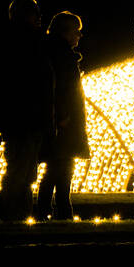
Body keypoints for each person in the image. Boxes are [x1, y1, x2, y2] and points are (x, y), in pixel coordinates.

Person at [0, 0, 55, 221]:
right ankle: (14, 215)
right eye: (34, 13)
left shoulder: (27, 42)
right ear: (22, 17)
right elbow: (32, 85)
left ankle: (16, 213)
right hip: (25, 119)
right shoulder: (24, 44)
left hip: (25, 119)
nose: (40, 18)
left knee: (24, 170)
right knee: (21, 171)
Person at [36, 11, 89, 220]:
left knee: (58, 166)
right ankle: (59, 211)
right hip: (64, 122)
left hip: (62, 121)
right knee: (61, 166)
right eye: (77, 31)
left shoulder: (55, 53)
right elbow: (61, 89)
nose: (80, 36)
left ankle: (51, 210)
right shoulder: (61, 56)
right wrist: (63, 116)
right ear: (66, 32)